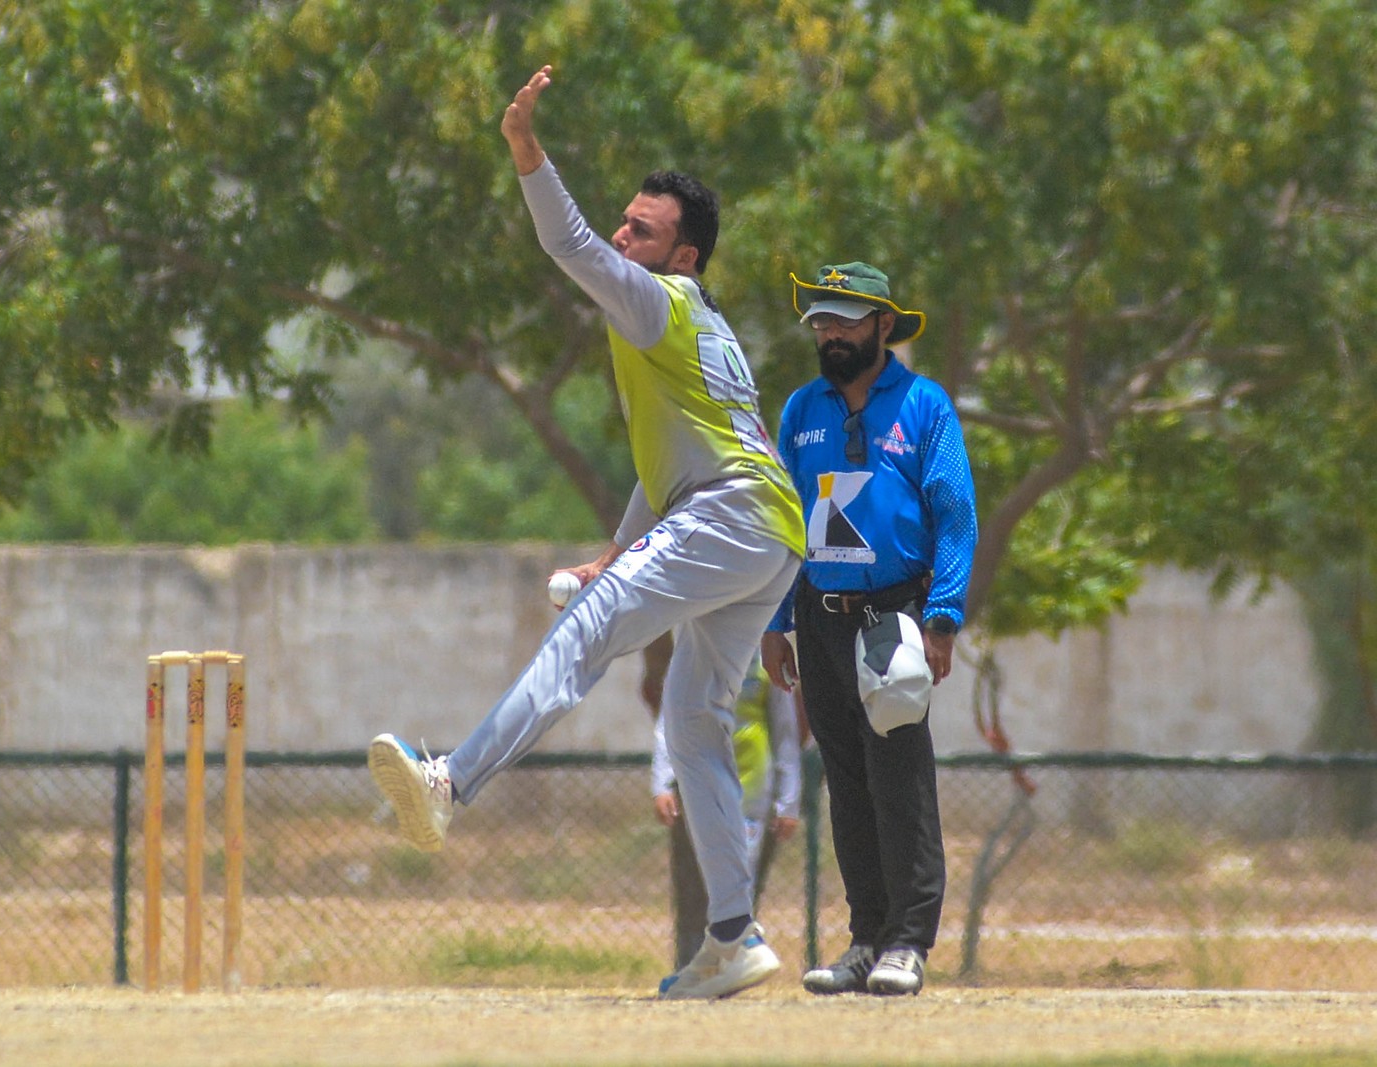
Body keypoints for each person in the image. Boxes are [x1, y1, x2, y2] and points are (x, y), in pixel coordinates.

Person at [367, 66, 805, 1001]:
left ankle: (449, 783)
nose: (619, 238)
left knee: (588, 634)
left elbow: (565, 241)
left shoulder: (657, 301)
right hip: (769, 531)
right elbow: (674, 466)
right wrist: (616, 552)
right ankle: (734, 935)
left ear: (684, 255)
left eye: (641, 231)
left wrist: (525, 148)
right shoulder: (707, 325)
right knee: (694, 722)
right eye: (623, 222)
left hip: (730, 511)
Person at [759, 262, 977, 997]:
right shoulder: (801, 409)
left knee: (898, 778)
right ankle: (865, 940)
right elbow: (784, 521)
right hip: (818, 618)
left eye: (845, 321)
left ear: (883, 324)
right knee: (846, 783)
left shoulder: (924, 404)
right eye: (821, 321)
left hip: (894, 616)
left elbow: (955, 514)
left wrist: (942, 617)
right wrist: (775, 621)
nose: (830, 333)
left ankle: (908, 942)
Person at [650, 654, 802, 970]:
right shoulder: (695, 653)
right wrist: (662, 783)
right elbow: (669, 720)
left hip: (752, 791)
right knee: (696, 884)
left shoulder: (767, 664)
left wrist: (788, 800)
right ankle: (692, 964)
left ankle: (733, 960)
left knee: (741, 880)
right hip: (699, 786)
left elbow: (786, 732)